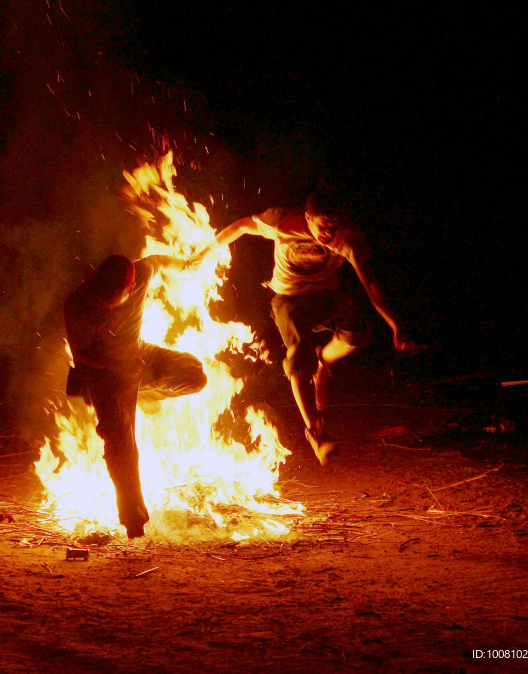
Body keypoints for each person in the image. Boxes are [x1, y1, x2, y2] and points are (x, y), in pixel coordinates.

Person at [189, 189, 418, 465]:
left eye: (334, 226)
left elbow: (370, 283)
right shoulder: (283, 220)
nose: (328, 233)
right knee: (299, 355)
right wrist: (204, 254)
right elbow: (241, 226)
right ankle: (317, 433)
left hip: (327, 295)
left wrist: (396, 325)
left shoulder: (349, 237)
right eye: (323, 226)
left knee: (357, 335)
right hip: (289, 298)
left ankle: (325, 361)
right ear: (308, 217)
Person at [64, 254, 207, 539]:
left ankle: (140, 396)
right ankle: (133, 517)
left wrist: (184, 264)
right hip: (105, 374)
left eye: (117, 295)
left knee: (195, 376)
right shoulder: (78, 304)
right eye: (106, 293)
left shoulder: (140, 274)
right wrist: (109, 378)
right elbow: (80, 356)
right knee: (121, 442)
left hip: (139, 356)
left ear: (130, 288)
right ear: (97, 280)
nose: (110, 299)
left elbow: (157, 261)